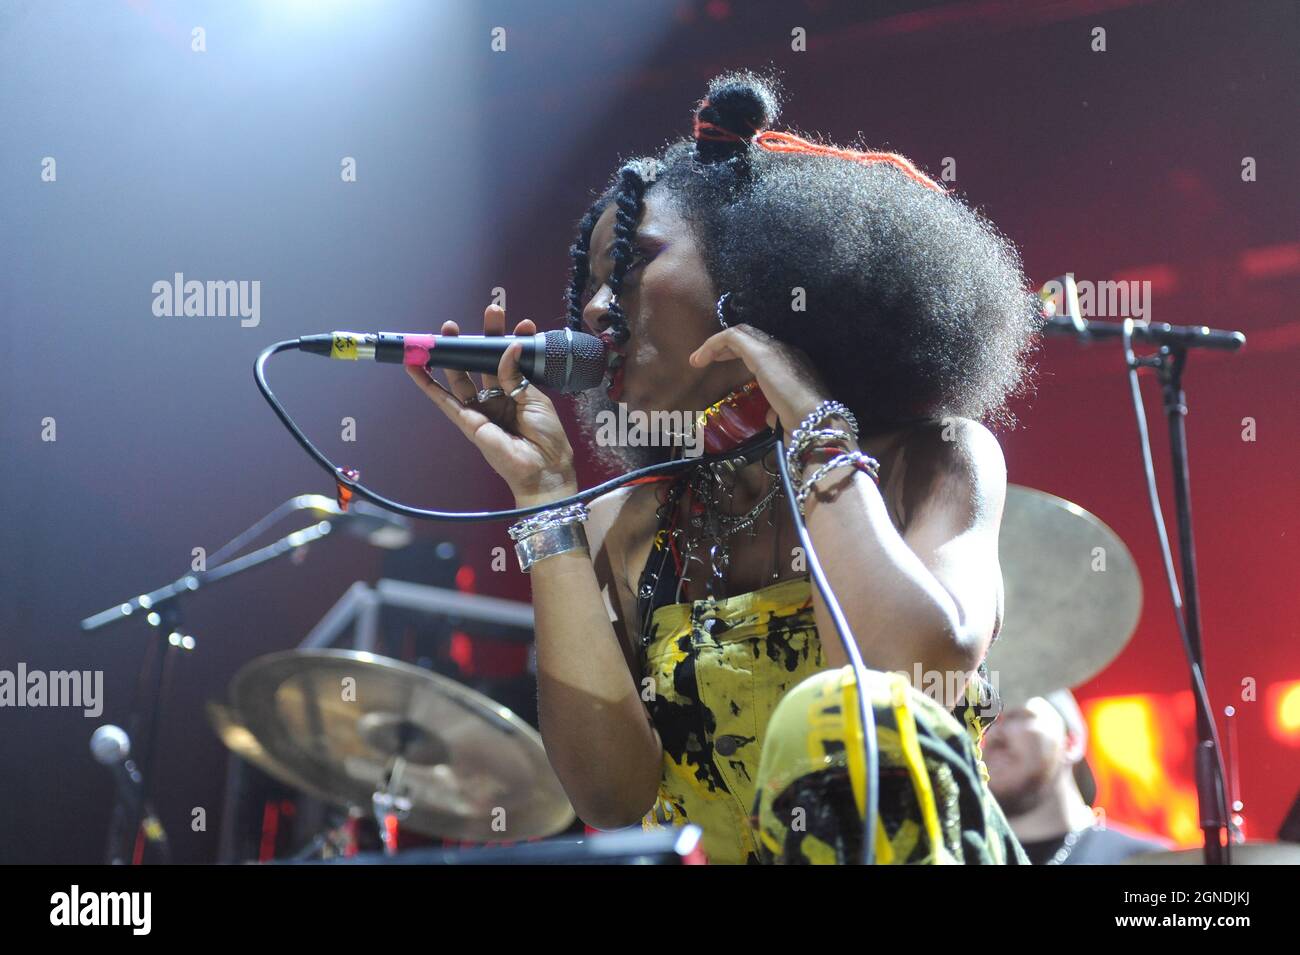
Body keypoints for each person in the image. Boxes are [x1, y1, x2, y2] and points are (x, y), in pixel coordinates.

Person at [405, 69, 1040, 864]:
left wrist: (813, 423)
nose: (598, 307)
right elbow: (610, 796)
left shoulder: (934, 457)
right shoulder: (637, 516)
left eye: (631, 262)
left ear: (760, 268)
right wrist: (543, 499)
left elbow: (917, 665)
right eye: (593, 283)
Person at [983, 690, 1170, 864]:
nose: (993, 735)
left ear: (1071, 742)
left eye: (1017, 715)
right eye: (986, 723)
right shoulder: (960, 856)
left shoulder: (1147, 859)